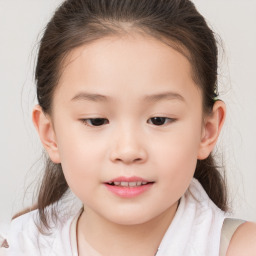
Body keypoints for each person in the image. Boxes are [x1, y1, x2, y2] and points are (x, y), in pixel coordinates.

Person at [1, 0, 256, 255]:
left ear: (207, 130)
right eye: (96, 120)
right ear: (50, 134)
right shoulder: (19, 247)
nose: (128, 150)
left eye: (159, 120)